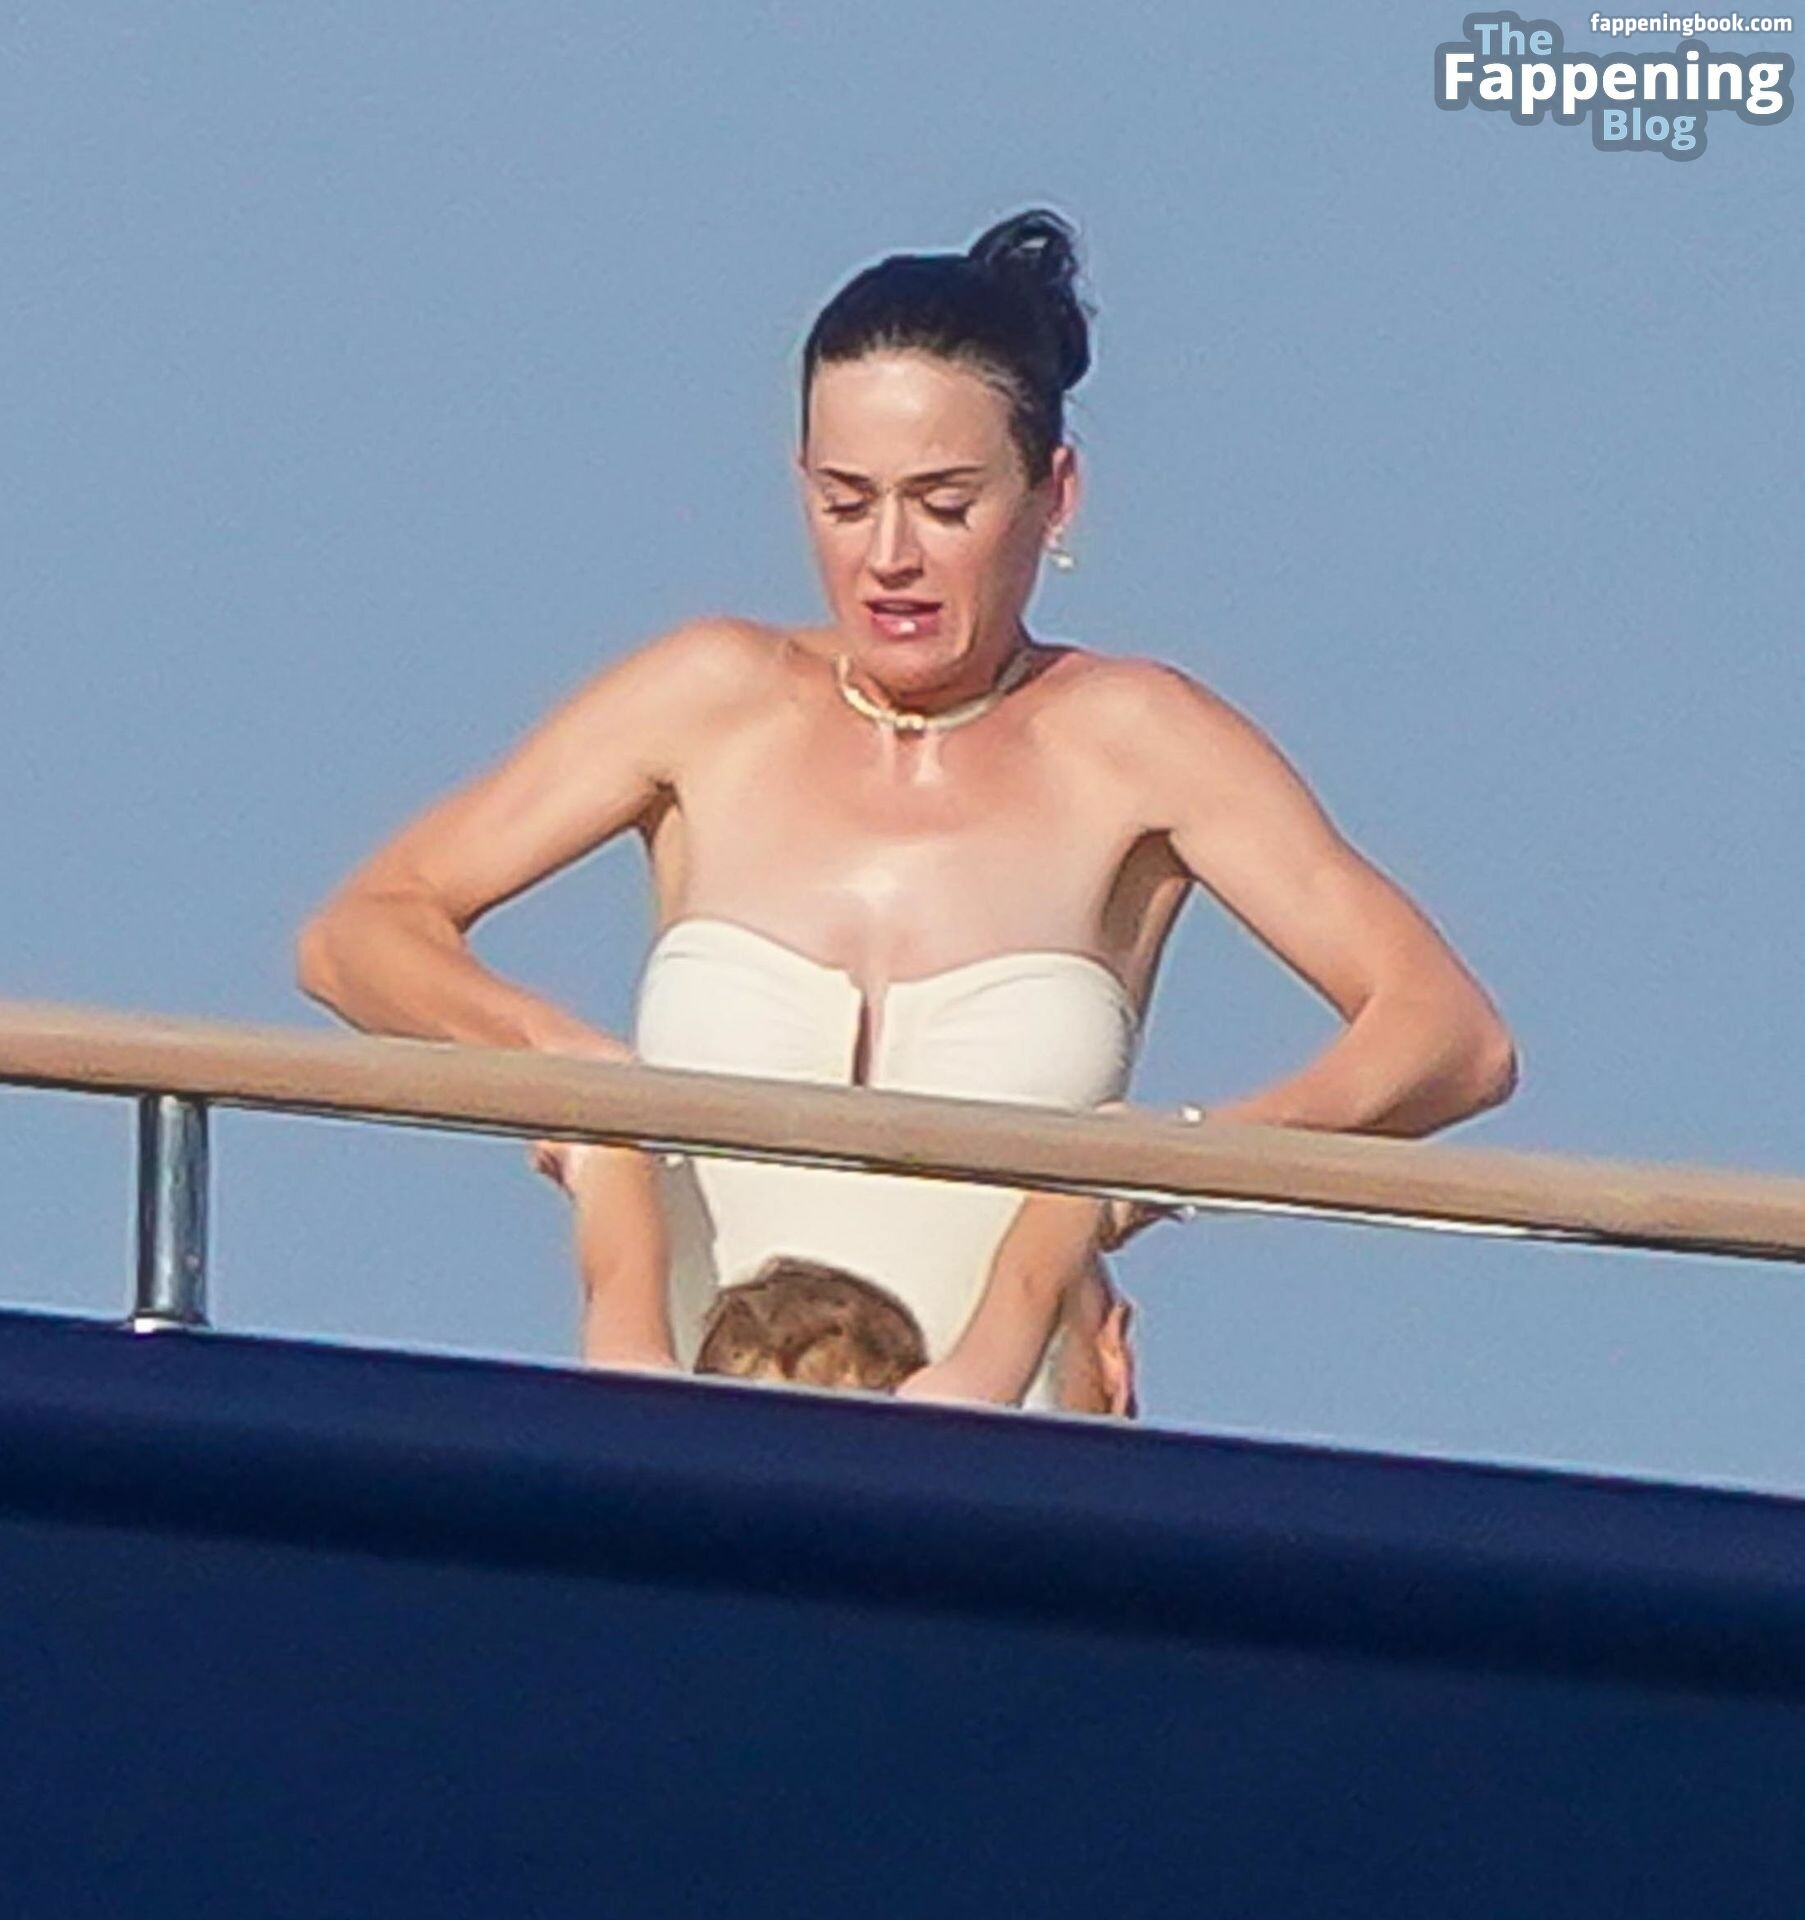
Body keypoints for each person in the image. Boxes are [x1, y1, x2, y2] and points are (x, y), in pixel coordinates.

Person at [295, 206, 1517, 1414]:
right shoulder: (708, 698)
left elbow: (1446, 1037)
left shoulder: (1134, 739)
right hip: (689, 1438)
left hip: (1002, 1453)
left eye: (942, 503)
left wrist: (1147, 1168)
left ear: (1053, 496)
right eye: (846, 502)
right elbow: (364, 929)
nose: (889, 556)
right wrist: (560, 1072)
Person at [566, 1142, 1137, 1412]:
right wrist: (1098, 1159)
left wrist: (602, 1157)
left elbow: (620, 1276)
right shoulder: (921, 1428)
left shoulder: (673, 1423)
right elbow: (1027, 1283)